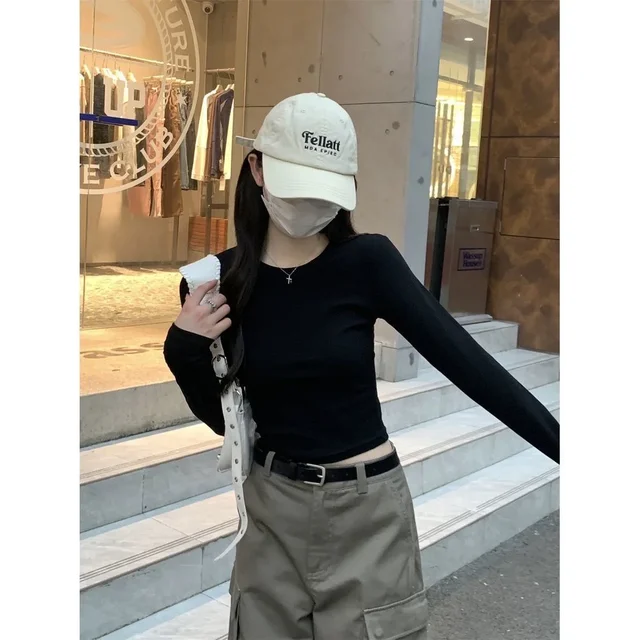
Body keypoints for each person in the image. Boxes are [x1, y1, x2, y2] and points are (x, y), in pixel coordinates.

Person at [163, 92, 559, 640]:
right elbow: (228, 422)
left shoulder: (366, 261)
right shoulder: (217, 282)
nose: (309, 204)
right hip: (270, 509)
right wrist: (182, 349)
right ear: (256, 169)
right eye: (298, 185)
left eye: (323, 190)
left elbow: (468, 364)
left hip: (366, 514)